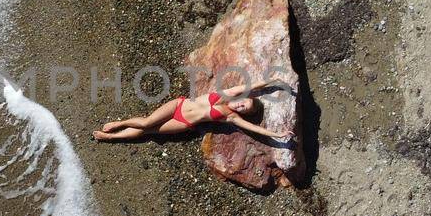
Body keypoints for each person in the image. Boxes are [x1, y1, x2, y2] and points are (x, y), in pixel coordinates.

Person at [92, 79, 294, 144]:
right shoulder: (228, 94)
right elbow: (252, 85)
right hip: (178, 105)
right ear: (242, 98)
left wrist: (278, 134)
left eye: (245, 109)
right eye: (244, 103)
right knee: (146, 122)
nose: (241, 106)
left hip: (183, 123)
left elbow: (254, 129)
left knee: (147, 132)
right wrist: (274, 81)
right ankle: (119, 124)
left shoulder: (231, 117)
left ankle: (111, 138)